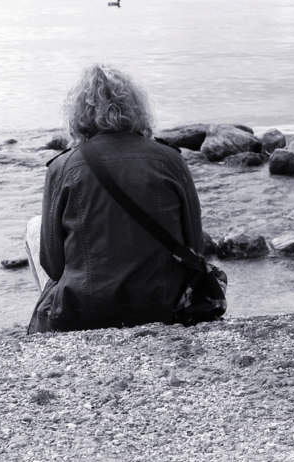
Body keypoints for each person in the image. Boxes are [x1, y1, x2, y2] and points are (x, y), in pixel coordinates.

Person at [26, 63, 203, 334]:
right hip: (163, 307)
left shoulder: (62, 167)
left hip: (85, 311)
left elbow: (52, 265)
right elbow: (196, 247)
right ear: (136, 108)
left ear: (77, 114)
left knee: (35, 226)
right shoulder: (171, 159)